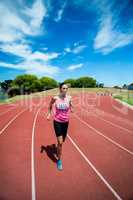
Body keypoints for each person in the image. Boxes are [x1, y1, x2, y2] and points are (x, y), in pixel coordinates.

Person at [46, 82, 73, 170]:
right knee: (60, 142)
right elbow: (50, 105)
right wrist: (49, 114)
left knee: (63, 141)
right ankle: (59, 160)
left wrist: (72, 108)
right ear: (60, 89)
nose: (65, 90)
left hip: (66, 122)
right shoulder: (55, 98)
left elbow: (70, 104)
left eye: (66, 88)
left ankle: (58, 148)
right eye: (63, 88)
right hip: (57, 121)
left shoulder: (69, 97)